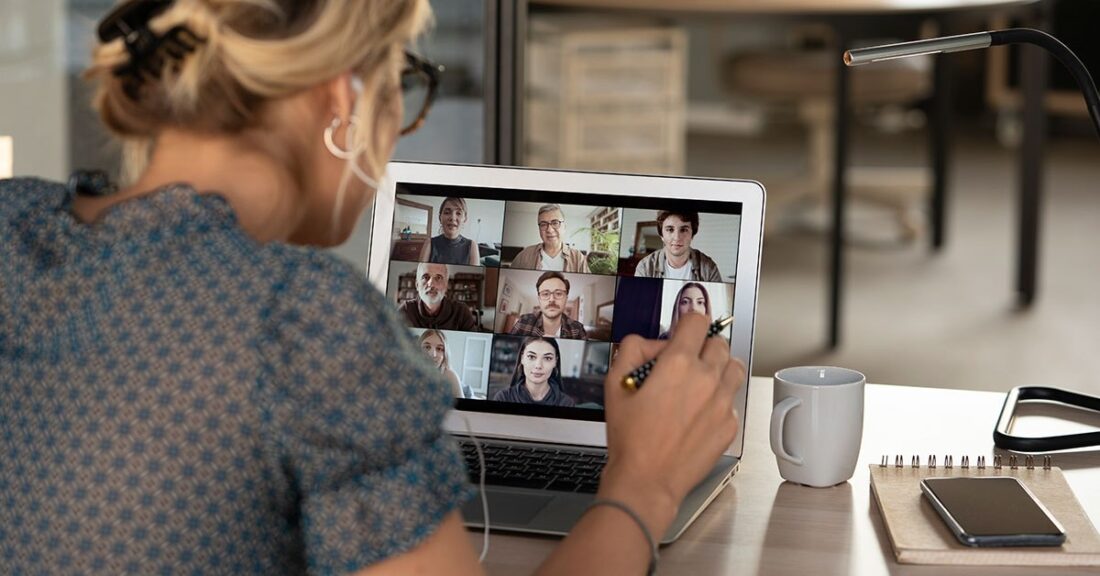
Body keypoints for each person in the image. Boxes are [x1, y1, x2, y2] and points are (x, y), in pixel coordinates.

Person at [0, 0, 746, 574]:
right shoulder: (305, 321)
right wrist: (645, 482)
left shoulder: (12, 224)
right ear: (342, 99)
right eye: (402, 85)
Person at [635, 210, 722, 281]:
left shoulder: (709, 268)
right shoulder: (645, 267)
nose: (677, 238)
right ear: (662, 235)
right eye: (670, 229)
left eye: (684, 230)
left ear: (692, 234)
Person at [492, 337, 575, 407]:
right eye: (531, 357)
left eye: (547, 358)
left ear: (555, 362)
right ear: (522, 358)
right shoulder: (503, 398)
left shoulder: (566, 403)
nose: (538, 365)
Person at [509, 203, 590, 272]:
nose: (550, 230)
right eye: (543, 224)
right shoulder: (525, 255)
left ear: (564, 227)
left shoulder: (578, 258)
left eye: (555, 223)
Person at [398, 262, 478, 331]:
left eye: (438, 278)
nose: (431, 284)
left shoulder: (461, 312)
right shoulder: (405, 311)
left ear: (446, 286)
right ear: (417, 285)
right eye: (426, 277)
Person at [509, 271, 587, 340]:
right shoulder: (523, 322)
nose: (552, 299)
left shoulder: (578, 329)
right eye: (545, 294)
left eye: (559, 293)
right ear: (539, 299)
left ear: (566, 298)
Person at [419, 196, 480, 265]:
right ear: (440, 218)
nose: (452, 218)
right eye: (447, 212)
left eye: (458, 213)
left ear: (465, 219)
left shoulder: (472, 246)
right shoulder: (429, 243)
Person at [418, 329, 470, 398]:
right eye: (427, 347)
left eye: (439, 349)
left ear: (445, 355)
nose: (433, 354)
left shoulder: (449, 375)